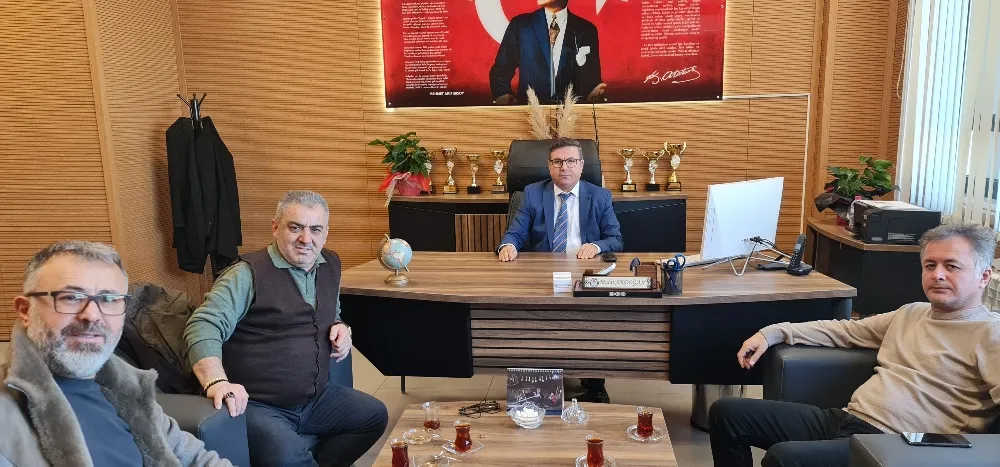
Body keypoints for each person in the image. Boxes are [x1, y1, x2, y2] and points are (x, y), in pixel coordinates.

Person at [709, 223, 1000, 467]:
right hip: (848, 420)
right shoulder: (911, 313)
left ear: (984, 276)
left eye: (952, 266)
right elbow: (845, 331)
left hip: (901, 447)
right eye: (930, 265)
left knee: (785, 459)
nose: (938, 274)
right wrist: (772, 332)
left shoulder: (990, 333)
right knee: (727, 414)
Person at [184, 191, 388, 467]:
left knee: (373, 416)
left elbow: (332, 312)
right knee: (289, 457)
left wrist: (341, 327)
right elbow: (204, 324)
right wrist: (216, 381)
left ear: (326, 233)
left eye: (315, 229)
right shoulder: (246, 274)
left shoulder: (331, 264)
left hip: (316, 398)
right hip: (258, 404)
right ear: (275, 228)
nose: (306, 238)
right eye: (295, 228)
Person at [1, 241, 231, 466]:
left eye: (109, 299)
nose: (92, 315)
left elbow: (197, 460)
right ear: (25, 311)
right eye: (71, 297)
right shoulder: (7, 416)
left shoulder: (128, 387)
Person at [497, 137, 623, 403]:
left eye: (570, 161)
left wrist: (596, 246)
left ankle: (594, 383)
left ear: (581, 165)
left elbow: (616, 239)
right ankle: (538, 385)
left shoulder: (600, 196)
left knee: (592, 319)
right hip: (543, 273)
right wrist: (508, 245)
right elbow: (515, 232)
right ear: (549, 166)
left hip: (585, 272)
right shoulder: (532, 193)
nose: (564, 167)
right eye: (557, 162)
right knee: (536, 320)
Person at [490, 0, 607, 105]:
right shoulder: (521, 26)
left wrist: (593, 94)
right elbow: (500, 71)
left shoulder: (586, 29)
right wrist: (503, 94)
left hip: (573, 116)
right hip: (529, 114)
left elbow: (592, 80)